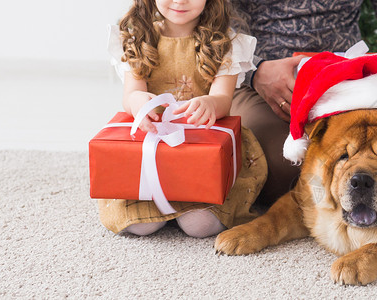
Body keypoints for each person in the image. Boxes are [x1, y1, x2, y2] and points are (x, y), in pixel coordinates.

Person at [97, 0, 267, 238]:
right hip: (153, 154)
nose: (180, 0)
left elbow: (223, 99)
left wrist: (209, 103)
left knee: (200, 226)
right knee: (140, 226)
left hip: (203, 152)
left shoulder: (225, 43)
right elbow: (130, 95)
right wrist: (138, 103)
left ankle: (182, 205)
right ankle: (164, 203)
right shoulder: (138, 38)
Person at [229, 0, 377, 207]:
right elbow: (212, 26)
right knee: (285, 168)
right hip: (260, 83)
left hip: (346, 84)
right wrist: (256, 70)